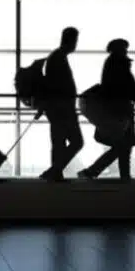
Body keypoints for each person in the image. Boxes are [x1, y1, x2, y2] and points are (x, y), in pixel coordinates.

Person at [79, 38, 135, 180]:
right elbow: (117, 87)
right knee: (123, 145)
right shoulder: (117, 63)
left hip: (120, 107)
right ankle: (94, 171)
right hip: (121, 108)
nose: (126, 51)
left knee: (123, 145)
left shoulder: (113, 63)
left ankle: (98, 172)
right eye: (124, 48)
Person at [40, 26, 84, 181]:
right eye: (76, 40)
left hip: (57, 107)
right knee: (76, 141)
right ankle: (54, 170)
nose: (76, 44)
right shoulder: (58, 58)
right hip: (62, 107)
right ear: (70, 40)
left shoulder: (56, 57)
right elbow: (58, 85)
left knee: (58, 141)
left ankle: (55, 172)